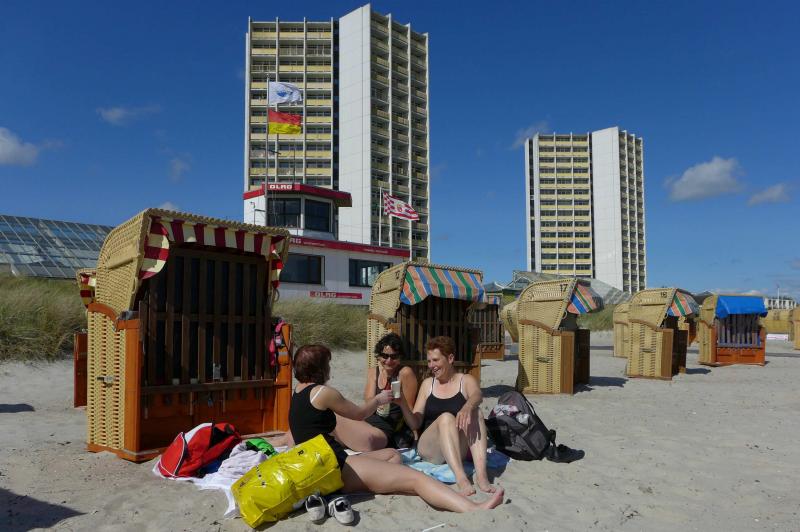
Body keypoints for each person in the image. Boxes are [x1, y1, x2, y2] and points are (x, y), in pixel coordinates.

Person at [288, 344, 504, 513]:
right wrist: (379, 399)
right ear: (320, 368)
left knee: (393, 455)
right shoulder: (323, 392)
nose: (330, 369)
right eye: (327, 364)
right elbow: (359, 414)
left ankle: (382, 480)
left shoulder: (297, 392)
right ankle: (473, 508)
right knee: (417, 478)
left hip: (314, 462)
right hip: (334, 467)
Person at [395, 336, 495, 496]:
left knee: (476, 412)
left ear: (450, 358)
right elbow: (415, 423)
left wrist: (468, 406)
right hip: (430, 449)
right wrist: (402, 404)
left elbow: (477, 395)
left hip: (456, 448)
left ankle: (482, 476)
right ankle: (461, 479)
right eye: (429, 361)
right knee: (446, 418)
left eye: (435, 360)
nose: (431, 365)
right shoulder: (428, 384)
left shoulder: (465, 380)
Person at [333, 333, 418, 451]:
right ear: (378, 356)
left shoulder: (405, 373)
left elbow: (410, 412)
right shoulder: (373, 372)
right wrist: (378, 401)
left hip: (385, 430)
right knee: (332, 415)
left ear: (400, 357)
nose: (389, 361)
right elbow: (368, 402)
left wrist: (415, 436)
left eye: (394, 356)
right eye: (385, 356)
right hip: (367, 422)